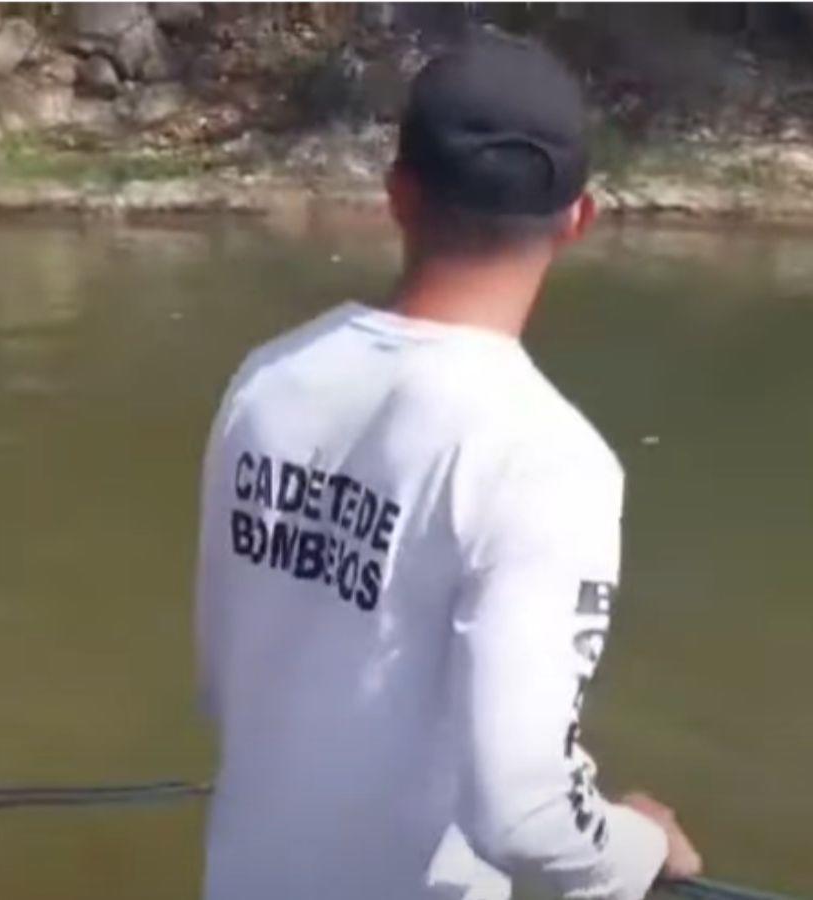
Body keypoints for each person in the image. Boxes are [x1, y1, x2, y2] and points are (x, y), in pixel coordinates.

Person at [194, 33, 702, 900]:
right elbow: (527, 814)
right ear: (579, 219)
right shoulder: (547, 460)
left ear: (398, 196)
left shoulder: (268, 381)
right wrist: (640, 848)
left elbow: (222, 682)